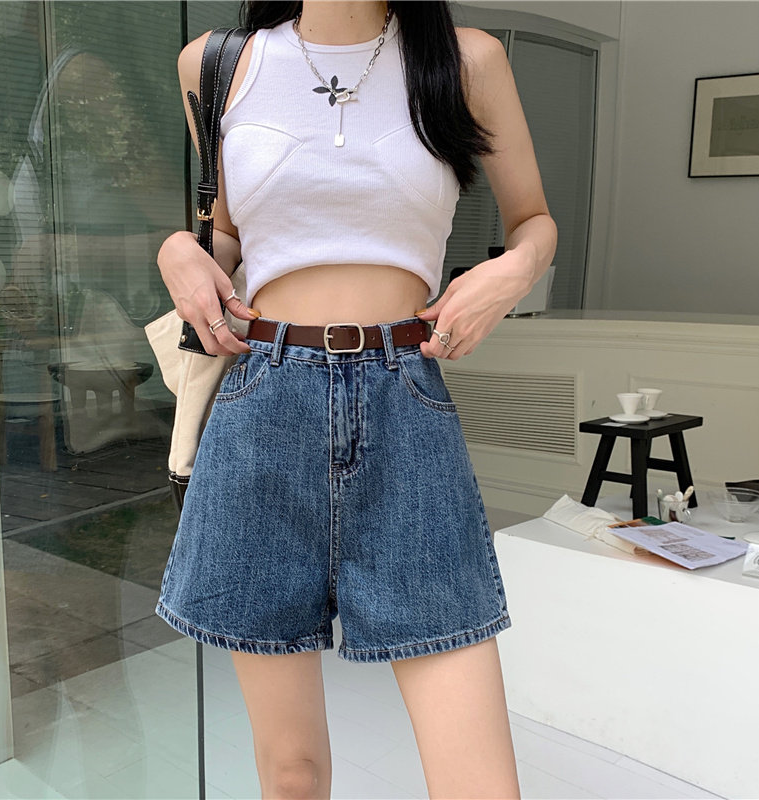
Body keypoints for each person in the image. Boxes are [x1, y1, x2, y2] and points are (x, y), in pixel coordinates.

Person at [155, 1, 557, 797]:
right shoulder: (216, 63)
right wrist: (179, 248)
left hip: (404, 402)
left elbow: (532, 221)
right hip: (264, 402)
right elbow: (229, 233)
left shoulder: (465, 61)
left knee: (479, 783)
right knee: (291, 774)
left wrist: (510, 274)